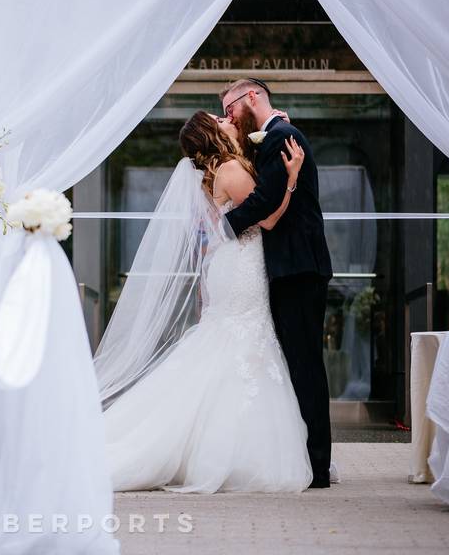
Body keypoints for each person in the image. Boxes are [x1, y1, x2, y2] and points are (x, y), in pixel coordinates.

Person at [96, 109, 313, 493]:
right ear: (212, 133)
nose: (229, 120)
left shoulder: (215, 174)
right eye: (221, 119)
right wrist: (292, 178)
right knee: (240, 345)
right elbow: (267, 220)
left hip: (232, 263)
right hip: (241, 266)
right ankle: (227, 454)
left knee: (226, 345)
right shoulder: (230, 170)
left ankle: (212, 446)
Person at [221, 78, 334, 488]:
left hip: (299, 268)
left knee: (305, 366)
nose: (229, 116)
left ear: (251, 97)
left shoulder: (281, 135)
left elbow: (267, 199)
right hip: (292, 267)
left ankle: (318, 466)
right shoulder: (276, 134)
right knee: (298, 363)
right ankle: (311, 458)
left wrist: (223, 225)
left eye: (230, 108)